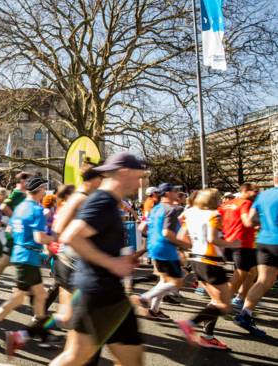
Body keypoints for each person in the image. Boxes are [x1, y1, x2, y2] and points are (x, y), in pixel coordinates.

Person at [50, 152, 146, 366]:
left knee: (129, 359)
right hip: (99, 292)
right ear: (124, 173)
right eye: (139, 176)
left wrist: (122, 259)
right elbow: (71, 236)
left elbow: (94, 240)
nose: (140, 183)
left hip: (106, 291)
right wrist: (111, 263)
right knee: (77, 357)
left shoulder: (109, 201)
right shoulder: (102, 200)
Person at [0, 177, 54, 355]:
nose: (46, 192)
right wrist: (59, 239)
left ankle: (43, 333)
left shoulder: (20, 207)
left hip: (22, 254)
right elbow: (40, 238)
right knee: (19, 298)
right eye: (45, 189)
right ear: (41, 190)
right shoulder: (37, 209)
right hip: (28, 256)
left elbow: (10, 229)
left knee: (41, 296)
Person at [175, 188, 238, 350]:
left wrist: (196, 246)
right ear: (214, 200)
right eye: (218, 198)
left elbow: (181, 237)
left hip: (196, 260)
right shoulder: (214, 215)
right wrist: (234, 244)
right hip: (211, 262)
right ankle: (190, 323)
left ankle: (208, 337)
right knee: (224, 305)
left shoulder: (191, 213)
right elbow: (213, 239)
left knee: (216, 301)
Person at [48, 162, 103, 330]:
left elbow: (57, 230)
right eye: (101, 178)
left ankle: (25, 333)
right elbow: (59, 231)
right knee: (81, 317)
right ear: (94, 179)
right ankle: (27, 332)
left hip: (68, 260)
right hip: (72, 263)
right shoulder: (81, 199)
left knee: (69, 317)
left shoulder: (80, 198)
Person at [234, 173, 278, 336]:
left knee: (263, 281)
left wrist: (267, 224)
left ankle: (245, 314)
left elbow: (251, 219)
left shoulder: (263, 196)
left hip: (264, 241)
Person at [137, 183, 187, 320]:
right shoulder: (171, 210)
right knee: (177, 281)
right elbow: (166, 233)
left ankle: (154, 309)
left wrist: (153, 236)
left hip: (154, 247)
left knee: (164, 281)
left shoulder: (155, 208)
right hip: (166, 249)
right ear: (167, 193)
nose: (177, 193)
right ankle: (145, 298)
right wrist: (185, 245)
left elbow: (141, 227)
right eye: (175, 190)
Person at [0, 171, 31, 304]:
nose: (30, 183)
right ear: (23, 181)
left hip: (16, 233)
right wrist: (16, 218)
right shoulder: (18, 193)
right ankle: (27, 293)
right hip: (14, 233)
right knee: (19, 260)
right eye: (28, 181)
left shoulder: (24, 194)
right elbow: (4, 206)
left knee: (6, 260)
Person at [219, 182, 258, 309]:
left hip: (228, 242)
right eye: (255, 191)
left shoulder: (226, 204)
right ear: (245, 190)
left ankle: (241, 297)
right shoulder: (246, 203)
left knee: (252, 271)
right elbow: (247, 221)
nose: (257, 193)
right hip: (242, 244)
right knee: (240, 275)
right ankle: (219, 304)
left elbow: (217, 221)